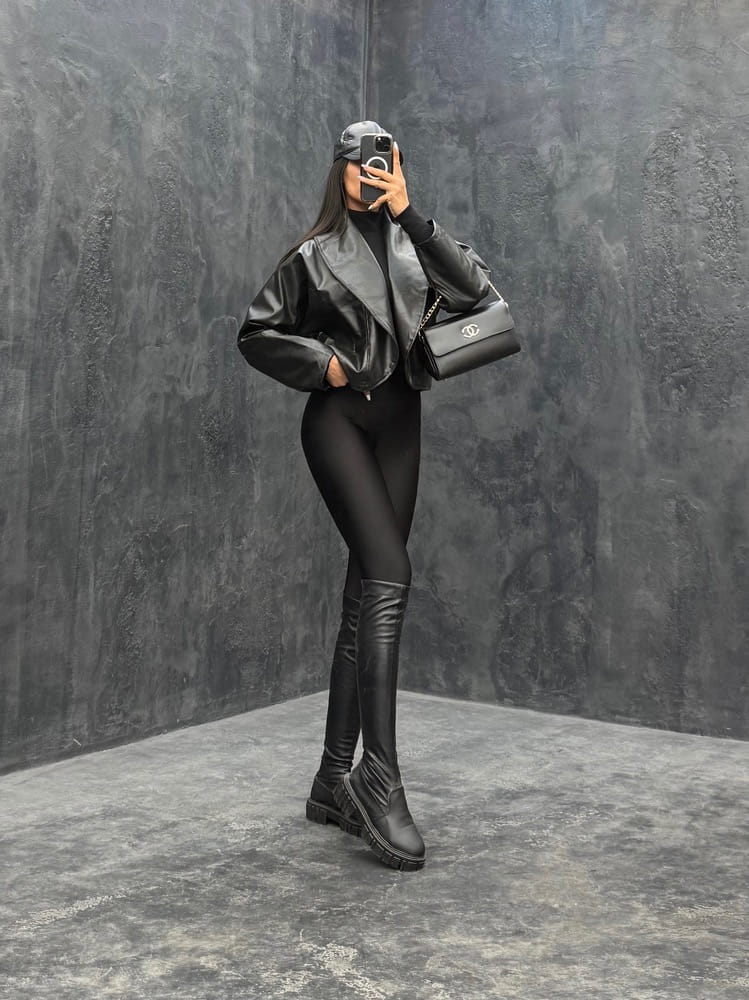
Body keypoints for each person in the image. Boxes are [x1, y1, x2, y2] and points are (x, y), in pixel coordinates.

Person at [236, 120, 490, 872]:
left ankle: (330, 781)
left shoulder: (417, 244)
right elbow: (256, 332)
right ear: (338, 169)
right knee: (389, 575)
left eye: (384, 160)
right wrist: (326, 367)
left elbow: (476, 293)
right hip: (339, 423)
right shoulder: (315, 255)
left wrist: (410, 210)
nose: (371, 171)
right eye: (359, 161)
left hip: (401, 426)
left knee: (364, 595)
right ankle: (377, 781)